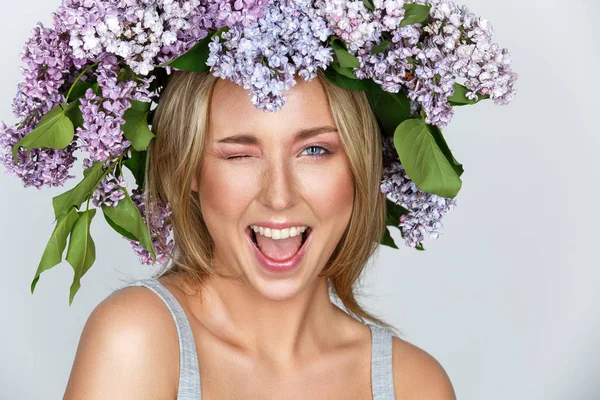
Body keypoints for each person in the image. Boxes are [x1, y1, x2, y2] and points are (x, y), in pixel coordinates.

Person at [61, 68, 456, 399]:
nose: (279, 197)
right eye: (240, 155)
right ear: (188, 169)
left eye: (315, 150)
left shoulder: (414, 384)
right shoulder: (137, 340)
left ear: (361, 165)